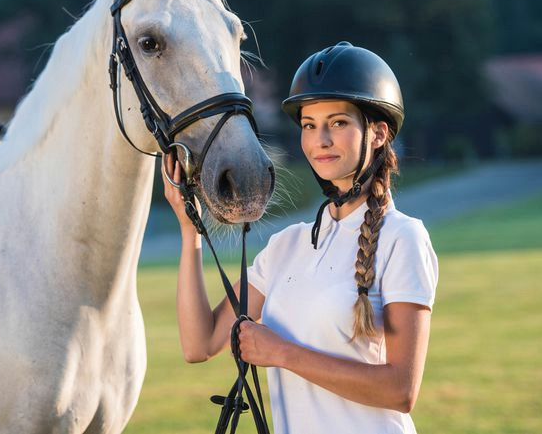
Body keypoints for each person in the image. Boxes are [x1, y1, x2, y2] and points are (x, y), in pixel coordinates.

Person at [163, 41, 439, 434]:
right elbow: (200, 343)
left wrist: (281, 353)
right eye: (310, 125)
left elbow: (400, 389)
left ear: (378, 133)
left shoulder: (403, 238)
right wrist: (190, 227)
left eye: (338, 123)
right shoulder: (287, 246)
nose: (320, 139)